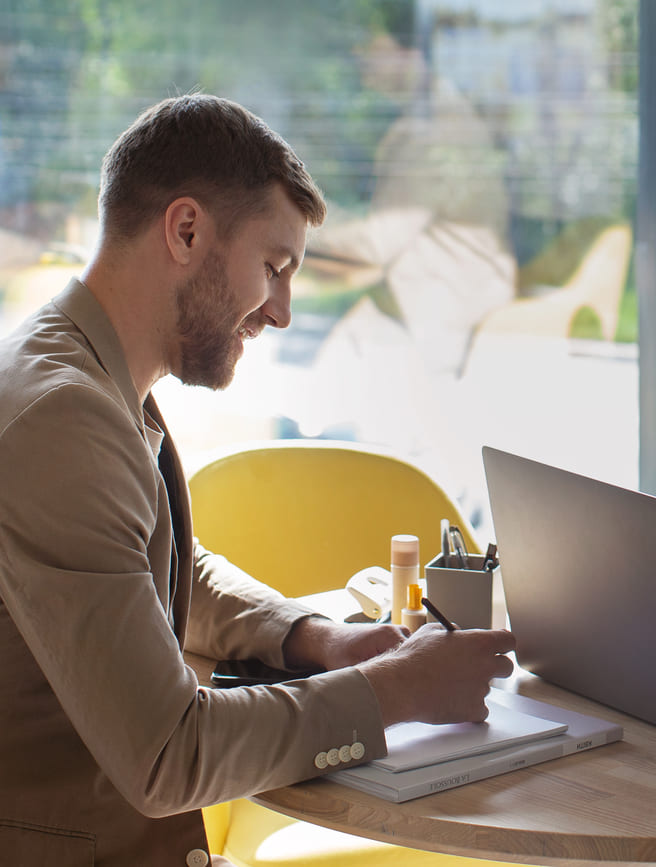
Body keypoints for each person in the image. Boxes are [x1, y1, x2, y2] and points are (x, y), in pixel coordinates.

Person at [0, 94, 516, 866]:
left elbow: (154, 571)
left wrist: (315, 637)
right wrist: (396, 691)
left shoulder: (83, 371)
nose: (278, 311)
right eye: (272, 267)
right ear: (185, 230)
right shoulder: (62, 418)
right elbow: (168, 753)